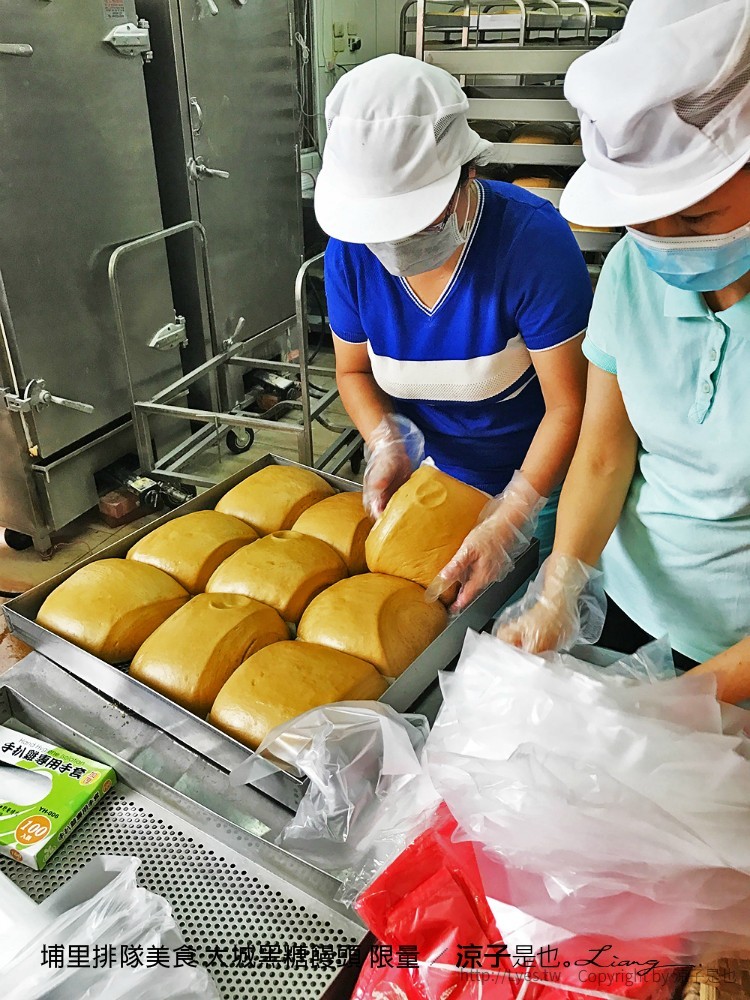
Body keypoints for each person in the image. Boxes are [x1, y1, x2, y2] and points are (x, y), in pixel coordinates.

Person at [496, 0, 750, 702]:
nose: (668, 242)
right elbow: (605, 454)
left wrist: (691, 701)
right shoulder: (637, 272)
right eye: (641, 220)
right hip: (639, 614)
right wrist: (560, 590)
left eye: (696, 215)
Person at [314, 54, 593, 611]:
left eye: (418, 223)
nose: (395, 248)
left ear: (467, 175)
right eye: (379, 232)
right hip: (435, 482)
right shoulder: (350, 253)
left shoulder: (531, 243)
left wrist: (513, 515)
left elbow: (571, 406)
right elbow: (352, 371)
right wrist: (386, 441)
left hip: (538, 482)